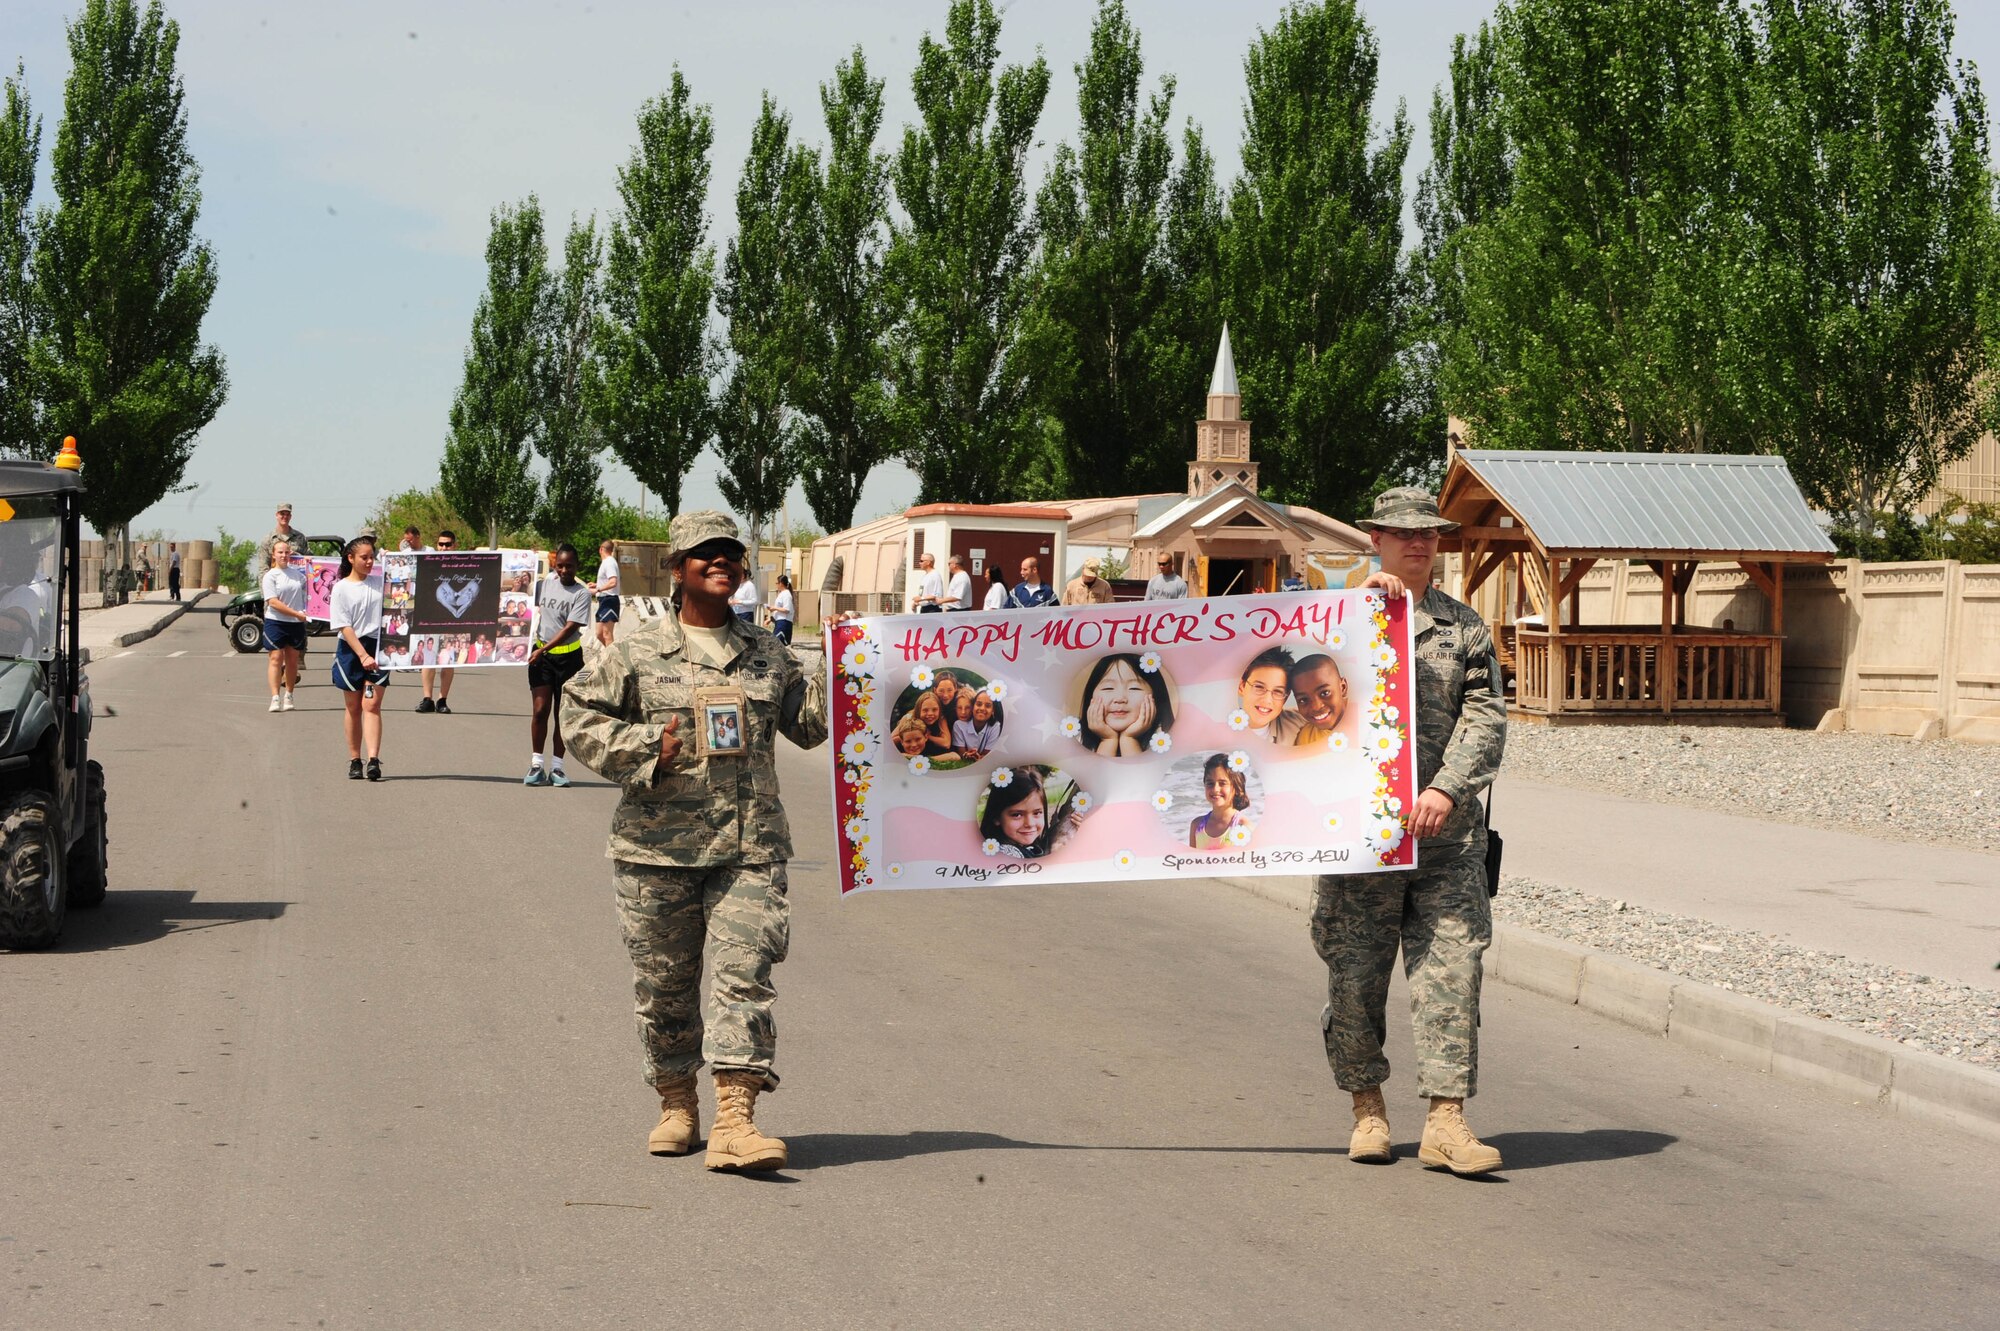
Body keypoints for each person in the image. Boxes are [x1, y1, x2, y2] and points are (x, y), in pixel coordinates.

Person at [561, 509, 829, 1173]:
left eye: (730, 553)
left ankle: (737, 1118)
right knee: (666, 988)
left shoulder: (768, 651)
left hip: (750, 847)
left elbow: (811, 725)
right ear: (678, 569)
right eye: (705, 553)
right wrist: (648, 745)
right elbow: (577, 715)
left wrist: (866, 673)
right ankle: (676, 1102)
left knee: (746, 976)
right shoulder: (637, 650)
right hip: (658, 851)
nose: (721, 562)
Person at [1310, 486, 1506, 1176]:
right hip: (1362, 840)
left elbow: (1486, 718)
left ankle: (1446, 1121)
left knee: (1452, 972)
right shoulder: (1334, 616)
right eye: (1402, 533)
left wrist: (1445, 788)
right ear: (1376, 539)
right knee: (1356, 977)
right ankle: (1368, 1109)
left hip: (1445, 842)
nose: (1418, 543)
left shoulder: (1465, 629)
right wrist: (1361, 606)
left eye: (1428, 534)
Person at [524, 543, 592, 787]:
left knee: (561, 715)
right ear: (555, 565)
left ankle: (557, 768)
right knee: (540, 710)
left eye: (570, 566)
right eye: (560, 565)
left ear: (577, 567)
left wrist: (543, 648)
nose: (564, 570)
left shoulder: (582, 594)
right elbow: (519, 596)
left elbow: (570, 628)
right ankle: (536, 764)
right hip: (541, 659)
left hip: (569, 659)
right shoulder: (545, 584)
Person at [329, 536, 389, 781]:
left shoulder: (380, 582)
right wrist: (362, 655)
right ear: (350, 558)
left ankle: (373, 759)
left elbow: (408, 581)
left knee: (371, 705)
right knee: (353, 707)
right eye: (364, 557)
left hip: (378, 647)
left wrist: (392, 561)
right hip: (351, 649)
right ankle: (355, 759)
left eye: (372, 557)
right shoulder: (341, 587)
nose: (369, 561)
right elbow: (344, 626)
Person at [1076, 652, 1173, 757]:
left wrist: (1129, 740)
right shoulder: (1075, 737)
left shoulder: (1166, 738)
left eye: (1134, 688)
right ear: (1091, 697)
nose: (1120, 699)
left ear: (1156, 696)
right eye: (1108, 688)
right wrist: (1108, 740)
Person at [981, 766, 1083, 859]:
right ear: (996, 817)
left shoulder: (1031, 847)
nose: (1030, 823)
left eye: (1037, 813)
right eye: (1017, 815)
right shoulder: (1007, 854)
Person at [261, 538, 309, 712]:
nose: (283, 555)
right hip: (276, 621)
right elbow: (273, 602)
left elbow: (310, 596)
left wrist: (308, 613)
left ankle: (289, 694)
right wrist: (296, 613)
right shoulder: (270, 576)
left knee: (292, 660)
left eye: (286, 552)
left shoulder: (299, 576)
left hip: (295, 624)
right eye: (280, 552)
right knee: (275, 658)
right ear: (274, 554)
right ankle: (275, 697)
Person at [417, 530, 459, 715]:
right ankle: (427, 699)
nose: (444, 547)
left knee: (448, 660)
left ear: (454, 545)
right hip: (431, 617)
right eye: (441, 544)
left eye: (448, 544)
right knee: (429, 658)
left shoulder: (463, 565)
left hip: (453, 619)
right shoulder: (429, 563)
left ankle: (442, 699)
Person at [1237, 646, 1305, 744]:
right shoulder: (1216, 727)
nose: (1267, 700)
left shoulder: (1297, 721)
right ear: (1241, 687)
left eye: (1278, 691)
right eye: (1259, 687)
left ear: (1285, 698)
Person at [1189, 753, 1253, 849]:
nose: (1215, 789)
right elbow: (1191, 862)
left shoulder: (1243, 827)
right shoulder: (1197, 825)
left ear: (1237, 787)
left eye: (1222, 783)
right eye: (1210, 783)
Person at [1290, 653, 1350, 746]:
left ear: (1343, 687)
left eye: (1325, 693)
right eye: (1303, 700)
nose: (1316, 707)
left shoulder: (1370, 718)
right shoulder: (1306, 738)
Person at [952, 690, 1002, 761]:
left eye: (988, 706)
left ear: (993, 710)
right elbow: (961, 753)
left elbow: (986, 755)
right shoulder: (959, 725)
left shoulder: (995, 726)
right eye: (979, 704)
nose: (982, 708)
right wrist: (967, 755)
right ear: (973, 707)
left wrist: (979, 757)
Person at [259, 504, 307, 575]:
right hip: (276, 582)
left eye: (287, 514)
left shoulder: (300, 537)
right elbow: (263, 568)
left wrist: (296, 555)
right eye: (282, 514)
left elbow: (309, 561)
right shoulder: (268, 540)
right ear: (277, 515)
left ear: (290, 516)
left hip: (297, 581)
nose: (285, 517)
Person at [593, 539, 622, 648]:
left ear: (601, 549)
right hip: (603, 600)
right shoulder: (607, 562)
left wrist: (598, 589)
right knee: (599, 633)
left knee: (606, 633)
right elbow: (607, 581)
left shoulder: (609, 562)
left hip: (609, 600)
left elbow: (613, 582)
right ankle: (609, 653)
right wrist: (596, 585)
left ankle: (612, 660)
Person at [768, 573, 795, 645]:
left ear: (781, 583)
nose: (776, 585)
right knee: (776, 644)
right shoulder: (781, 594)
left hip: (784, 622)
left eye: (777, 583)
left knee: (777, 644)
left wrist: (774, 608)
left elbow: (787, 609)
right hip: (779, 622)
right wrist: (770, 619)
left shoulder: (786, 594)